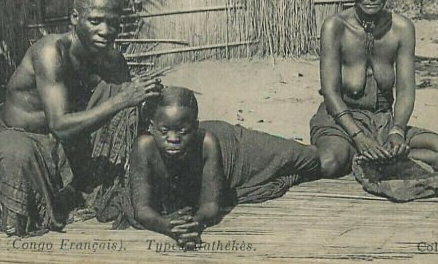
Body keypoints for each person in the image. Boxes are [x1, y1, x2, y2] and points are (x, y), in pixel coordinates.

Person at [0, 0, 163, 236]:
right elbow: (59, 125)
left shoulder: (112, 59)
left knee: (120, 96)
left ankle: (76, 190)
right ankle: (62, 193)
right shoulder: (51, 52)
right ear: (75, 17)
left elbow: (126, 117)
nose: (106, 30)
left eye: (113, 22)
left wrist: (148, 99)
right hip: (24, 137)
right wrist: (124, 98)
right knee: (18, 172)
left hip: (71, 143)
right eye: (96, 20)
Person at [310, 0, 438, 178]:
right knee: (329, 163)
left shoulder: (401, 29)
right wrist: (359, 137)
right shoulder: (335, 27)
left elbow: (405, 91)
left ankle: (377, 156)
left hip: (383, 122)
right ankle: (363, 152)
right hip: (340, 121)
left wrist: (397, 131)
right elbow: (330, 93)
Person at [130, 86, 320, 249]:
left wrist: (196, 222)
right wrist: (169, 227)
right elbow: (142, 209)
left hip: (235, 148)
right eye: (164, 131)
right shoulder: (144, 147)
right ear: (152, 127)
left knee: (315, 160)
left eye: (182, 131)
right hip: (223, 153)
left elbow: (211, 205)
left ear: (195, 128)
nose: (173, 138)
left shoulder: (207, 142)